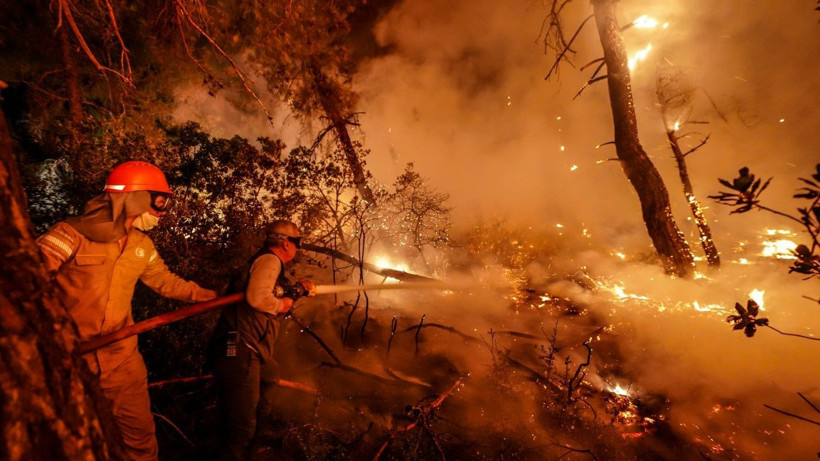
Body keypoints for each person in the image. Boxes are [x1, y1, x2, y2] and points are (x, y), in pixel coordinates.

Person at [36, 160, 218, 461]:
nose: (161, 212)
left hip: (121, 363)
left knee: (140, 445)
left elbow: (164, 281)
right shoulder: (70, 235)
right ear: (133, 197)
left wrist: (206, 295)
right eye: (159, 202)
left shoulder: (141, 245)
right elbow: (27, 279)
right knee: (71, 445)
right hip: (69, 362)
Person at [209, 219, 315, 460]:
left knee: (270, 376)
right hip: (239, 349)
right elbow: (258, 298)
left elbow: (271, 290)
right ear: (286, 244)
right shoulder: (270, 261)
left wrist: (299, 289)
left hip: (252, 349)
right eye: (297, 243)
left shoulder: (265, 262)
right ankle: (241, 440)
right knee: (240, 429)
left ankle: (252, 431)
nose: (297, 248)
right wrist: (282, 305)